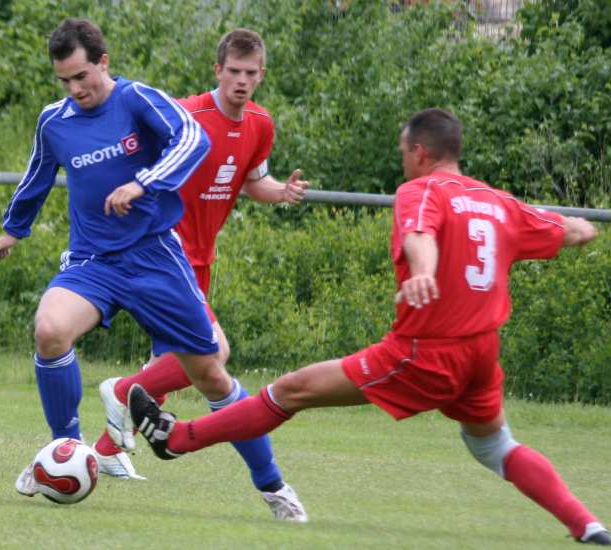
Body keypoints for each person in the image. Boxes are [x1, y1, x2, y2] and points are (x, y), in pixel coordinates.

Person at [128, 108, 610, 544]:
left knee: (291, 390)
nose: (403, 161)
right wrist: (577, 227)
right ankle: (585, 523)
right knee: (494, 446)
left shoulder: (420, 191)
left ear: (420, 152)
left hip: (425, 351)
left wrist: (423, 271)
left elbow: (420, 233)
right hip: (482, 355)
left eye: (403, 152)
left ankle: (176, 439)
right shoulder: (497, 202)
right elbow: (577, 229)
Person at [0, 18, 305, 520]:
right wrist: (13, 230)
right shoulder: (54, 121)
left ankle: (273, 486)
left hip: (155, 256)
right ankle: (65, 450)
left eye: (82, 76)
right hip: (93, 261)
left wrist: (143, 183)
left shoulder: (138, 100)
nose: (75, 89)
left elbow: (192, 139)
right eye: (65, 80)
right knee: (49, 330)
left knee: (211, 375)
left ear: (103, 62)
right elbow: (38, 174)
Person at [90, 28, 309, 520]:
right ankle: (121, 391)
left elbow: (253, 182)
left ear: (261, 75)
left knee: (173, 368)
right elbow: (137, 160)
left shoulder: (260, 124)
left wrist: (282, 193)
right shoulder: (186, 115)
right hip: (164, 253)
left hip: (201, 260)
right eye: (233, 71)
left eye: (250, 73)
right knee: (213, 355)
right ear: (217, 71)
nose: (241, 80)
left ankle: (106, 450)